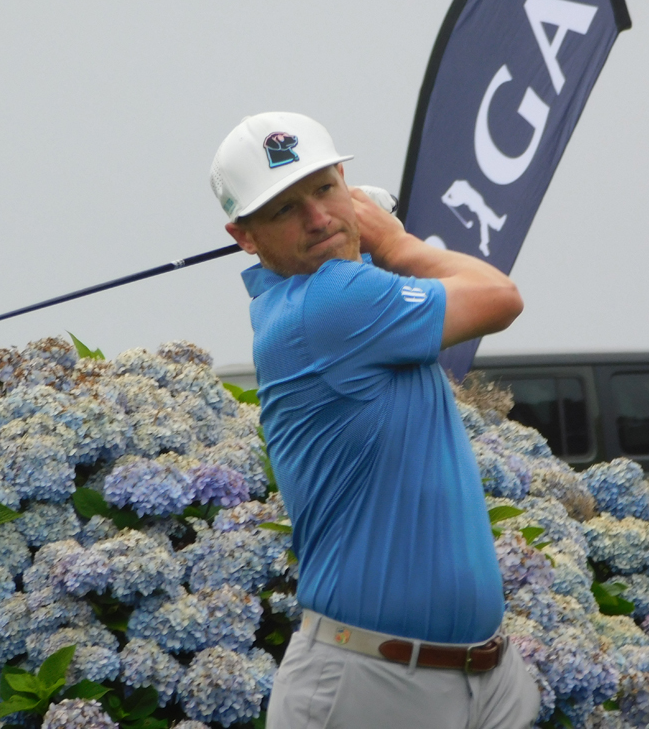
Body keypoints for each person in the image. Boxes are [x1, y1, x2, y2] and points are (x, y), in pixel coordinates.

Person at [211, 112, 539, 729]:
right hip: (373, 688)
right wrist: (394, 240)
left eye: (324, 189)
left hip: (483, 678)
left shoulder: (330, 295)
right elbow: (501, 297)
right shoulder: (331, 303)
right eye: (284, 209)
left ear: (345, 180)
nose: (318, 218)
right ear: (244, 236)